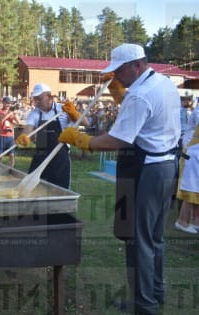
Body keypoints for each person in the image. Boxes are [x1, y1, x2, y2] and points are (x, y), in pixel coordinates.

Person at [59, 43, 181, 315]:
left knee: (139, 240)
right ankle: (154, 292)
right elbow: (144, 116)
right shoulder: (162, 82)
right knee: (154, 237)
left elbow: (118, 139)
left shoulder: (140, 94)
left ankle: (144, 305)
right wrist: (119, 94)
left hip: (147, 169)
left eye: (120, 71)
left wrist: (83, 140)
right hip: (166, 164)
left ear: (137, 65)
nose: (116, 76)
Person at [15, 85, 88, 188]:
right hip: (40, 157)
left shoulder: (63, 110)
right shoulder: (34, 113)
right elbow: (28, 129)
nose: (37, 102)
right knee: (32, 190)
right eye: (35, 99)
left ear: (50, 97)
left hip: (60, 157)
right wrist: (24, 136)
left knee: (60, 190)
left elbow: (86, 123)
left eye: (39, 99)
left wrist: (73, 113)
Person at [174, 105, 199, 234]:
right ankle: (182, 221)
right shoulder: (198, 111)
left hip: (195, 154)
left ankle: (196, 221)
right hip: (191, 154)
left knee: (196, 189)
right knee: (189, 189)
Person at [0, 96, 20, 167]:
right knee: (0, 155)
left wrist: (14, 115)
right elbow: (1, 121)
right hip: (1, 135)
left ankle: (11, 168)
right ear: (3, 103)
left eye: (9, 103)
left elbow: (18, 122)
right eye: (7, 103)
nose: (8, 105)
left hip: (10, 136)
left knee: (12, 154)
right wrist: (8, 114)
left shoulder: (11, 112)